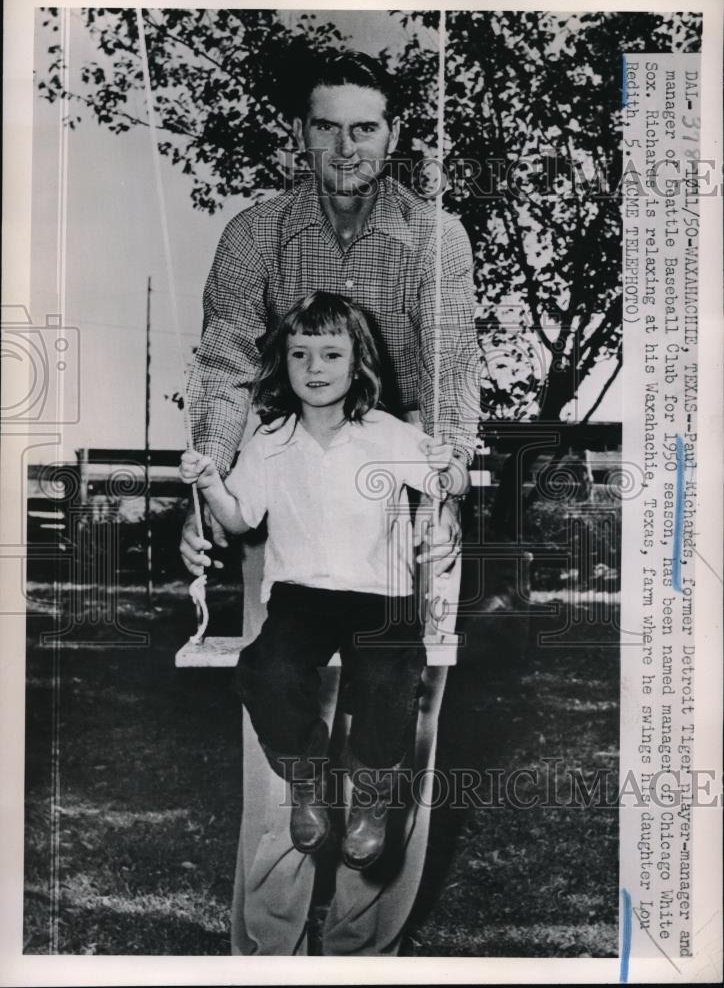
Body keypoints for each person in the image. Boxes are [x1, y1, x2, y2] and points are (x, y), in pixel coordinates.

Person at [179, 48, 481, 956]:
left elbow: (453, 375)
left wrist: (449, 497)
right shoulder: (255, 233)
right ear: (300, 133)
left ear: (393, 136)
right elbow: (226, 366)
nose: (345, 146)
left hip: (407, 485)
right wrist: (207, 497)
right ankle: (270, 951)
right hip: (291, 485)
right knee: (278, 718)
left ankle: (361, 949)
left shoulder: (438, 237)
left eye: (364, 126)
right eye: (326, 126)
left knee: (398, 722)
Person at [180, 291, 467, 869]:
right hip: (300, 597)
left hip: (379, 596)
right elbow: (240, 519)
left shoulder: (386, 433)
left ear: (357, 360)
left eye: (331, 355)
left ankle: (370, 799)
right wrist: (210, 482)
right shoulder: (270, 442)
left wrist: (449, 467)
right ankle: (305, 782)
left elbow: (448, 488)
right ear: (282, 363)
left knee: (392, 675)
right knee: (267, 668)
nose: (314, 368)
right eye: (300, 354)